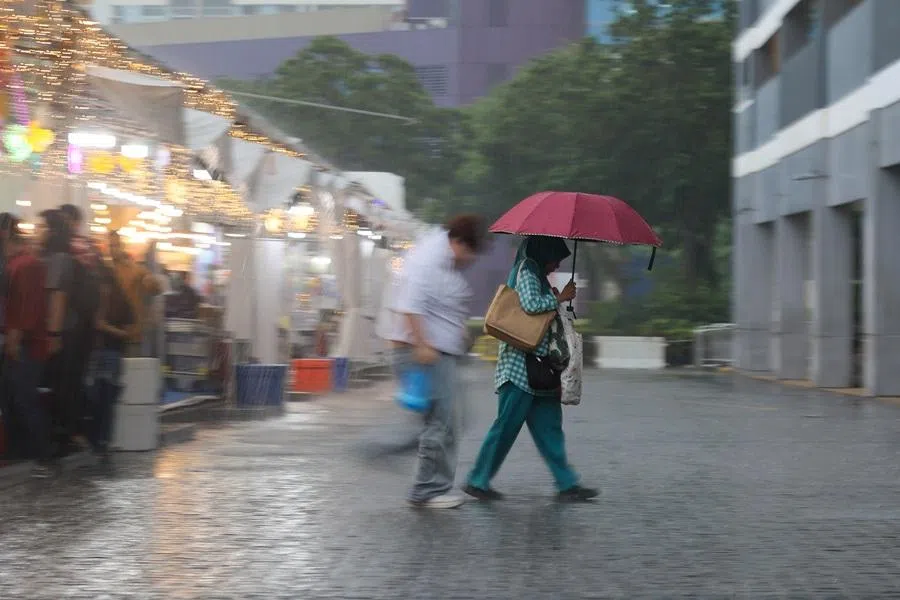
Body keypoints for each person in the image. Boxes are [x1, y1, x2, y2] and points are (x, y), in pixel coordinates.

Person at [465, 236, 598, 502]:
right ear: (543, 253)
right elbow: (531, 306)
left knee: (550, 427)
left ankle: (567, 483)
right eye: (555, 259)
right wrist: (560, 297)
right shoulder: (527, 270)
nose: (556, 265)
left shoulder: (537, 275)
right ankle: (478, 480)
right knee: (506, 427)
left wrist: (558, 298)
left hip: (539, 369)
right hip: (520, 368)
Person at [386, 214, 484, 508]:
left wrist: (460, 332)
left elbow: (442, 305)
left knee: (448, 421)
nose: (471, 260)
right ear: (459, 242)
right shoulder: (427, 259)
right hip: (428, 354)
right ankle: (427, 489)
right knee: (441, 422)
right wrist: (422, 344)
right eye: (471, 252)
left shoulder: (444, 262)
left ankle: (427, 481)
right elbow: (410, 305)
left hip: (441, 352)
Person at [2, 214, 53, 476]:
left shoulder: (23, 266)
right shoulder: (22, 264)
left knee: (24, 399)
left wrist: (14, 338)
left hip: (25, 344)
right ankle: (22, 451)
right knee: (16, 399)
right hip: (25, 342)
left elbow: (23, 309)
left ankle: (42, 455)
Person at [39, 209, 80, 455]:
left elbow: (57, 296)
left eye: (41, 227)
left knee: (55, 385)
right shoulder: (55, 256)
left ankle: (56, 439)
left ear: (53, 231)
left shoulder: (59, 258)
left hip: (60, 332)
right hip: (57, 331)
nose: (37, 232)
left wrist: (53, 335)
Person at [86, 262, 135, 462]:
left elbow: (129, 334)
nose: (101, 289)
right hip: (94, 354)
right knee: (94, 397)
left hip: (111, 354)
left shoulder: (122, 304)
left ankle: (103, 441)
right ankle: (95, 438)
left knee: (106, 399)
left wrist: (105, 327)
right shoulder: (94, 301)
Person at [107, 231, 161, 355]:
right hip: (110, 333)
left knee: (131, 363)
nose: (113, 249)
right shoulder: (107, 269)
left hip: (131, 332)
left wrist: (152, 283)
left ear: (122, 247)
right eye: (111, 246)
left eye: (116, 245)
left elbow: (156, 289)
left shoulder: (136, 270)